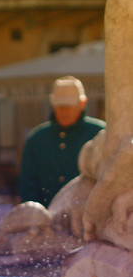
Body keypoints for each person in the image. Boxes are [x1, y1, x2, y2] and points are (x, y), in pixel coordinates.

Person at [19, 76, 105, 208]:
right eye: (60, 106)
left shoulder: (100, 135)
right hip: (48, 220)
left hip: (91, 218)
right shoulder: (36, 140)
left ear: (82, 104)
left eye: (68, 106)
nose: (64, 111)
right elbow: (28, 185)